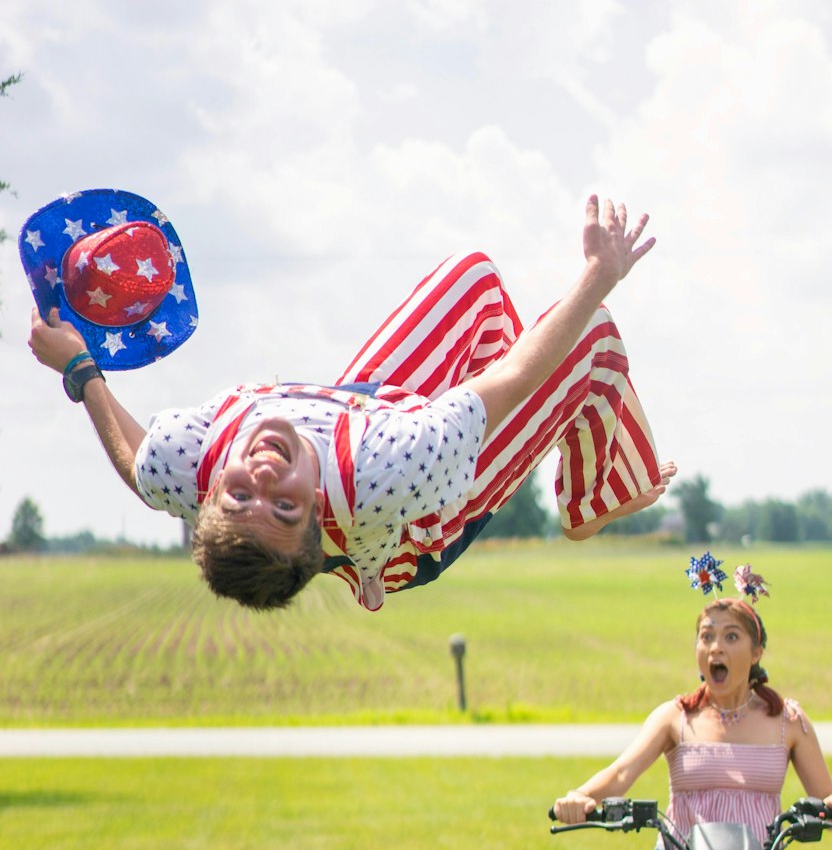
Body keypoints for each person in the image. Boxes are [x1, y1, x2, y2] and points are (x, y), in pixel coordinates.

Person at [28, 195, 674, 612]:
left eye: (239, 497)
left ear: (210, 490)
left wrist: (80, 367)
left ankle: (522, 420)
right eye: (283, 504)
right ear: (315, 510)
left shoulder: (183, 458)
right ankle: (596, 501)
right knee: (591, 334)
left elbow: (134, 462)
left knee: (475, 277)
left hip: (366, 410)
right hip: (423, 524)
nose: (262, 478)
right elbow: (511, 382)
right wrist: (598, 273)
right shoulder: (393, 470)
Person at [552, 572, 832, 850]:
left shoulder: (788, 721)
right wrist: (579, 797)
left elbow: (826, 804)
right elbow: (622, 773)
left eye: (731, 636)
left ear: (757, 651)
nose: (716, 647)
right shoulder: (676, 716)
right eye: (707, 637)